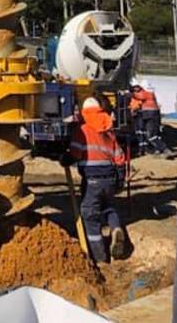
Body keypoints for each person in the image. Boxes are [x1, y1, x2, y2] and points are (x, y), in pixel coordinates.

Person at [63, 97, 127, 263]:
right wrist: (120, 180)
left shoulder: (82, 130)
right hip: (110, 177)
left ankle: (100, 259)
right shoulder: (108, 131)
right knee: (109, 207)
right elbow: (120, 158)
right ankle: (116, 229)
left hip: (92, 179)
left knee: (90, 216)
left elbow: (75, 154)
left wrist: (65, 158)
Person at [130, 80, 168, 155]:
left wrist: (129, 93)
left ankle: (164, 149)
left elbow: (138, 96)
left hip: (149, 115)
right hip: (151, 115)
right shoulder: (151, 93)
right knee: (151, 134)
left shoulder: (147, 94)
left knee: (151, 135)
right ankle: (158, 149)